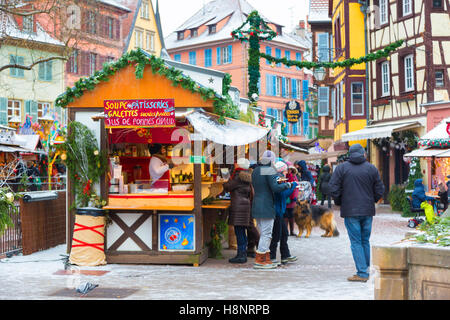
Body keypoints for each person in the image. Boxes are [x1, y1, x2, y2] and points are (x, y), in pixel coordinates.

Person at [328, 144, 385, 282]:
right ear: (363, 154)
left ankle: (362, 273)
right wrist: (372, 200)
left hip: (350, 210)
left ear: (349, 154)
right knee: (365, 240)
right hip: (367, 210)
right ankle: (365, 271)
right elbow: (380, 188)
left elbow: (332, 187)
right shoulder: (371, 168)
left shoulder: (342, 168)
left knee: (356, 242)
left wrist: (340, 201)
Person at [251, 150, 292, 269]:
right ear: (272, 160)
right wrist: (287, 185)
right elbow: (275, 187)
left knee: (263, 232)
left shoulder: (256, 170)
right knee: (267, 234)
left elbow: (264, 184)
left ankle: (266, 258)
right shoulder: (269, 169)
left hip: (257, 204)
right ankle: (260, 261)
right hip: (266, 205)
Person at [223, 158, 253, 264]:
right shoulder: (246, 176)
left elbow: (228, 186)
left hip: (238, 206)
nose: (234, 164)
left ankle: (241, 256)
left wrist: (226, 179)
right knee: (241, 231)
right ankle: (242, 254)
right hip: (244, 205)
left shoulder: (238, 176)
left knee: (239, 231)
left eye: (236, 162)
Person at [270, 161, 298, 265]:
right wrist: (293, 186)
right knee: (276, 235)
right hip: (277, 211)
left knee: (284, 233)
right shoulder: (279, 179)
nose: (287, 172)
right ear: (282, 170)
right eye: (286, 170)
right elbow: (282, 195)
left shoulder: (279, 178)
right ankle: (272, 257)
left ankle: (285, 255)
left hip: (279, 211)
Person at [284, 165, 299, 236]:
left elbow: (296, 188)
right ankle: (286, 231)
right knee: (286, 216)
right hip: (287, 198)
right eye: (288, 169)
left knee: (292, 216)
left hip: (293, 199)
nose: (290, 170)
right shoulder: (285, 176)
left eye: (291, 169)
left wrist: (295, 197)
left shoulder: (294, 176)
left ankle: (292, 231)